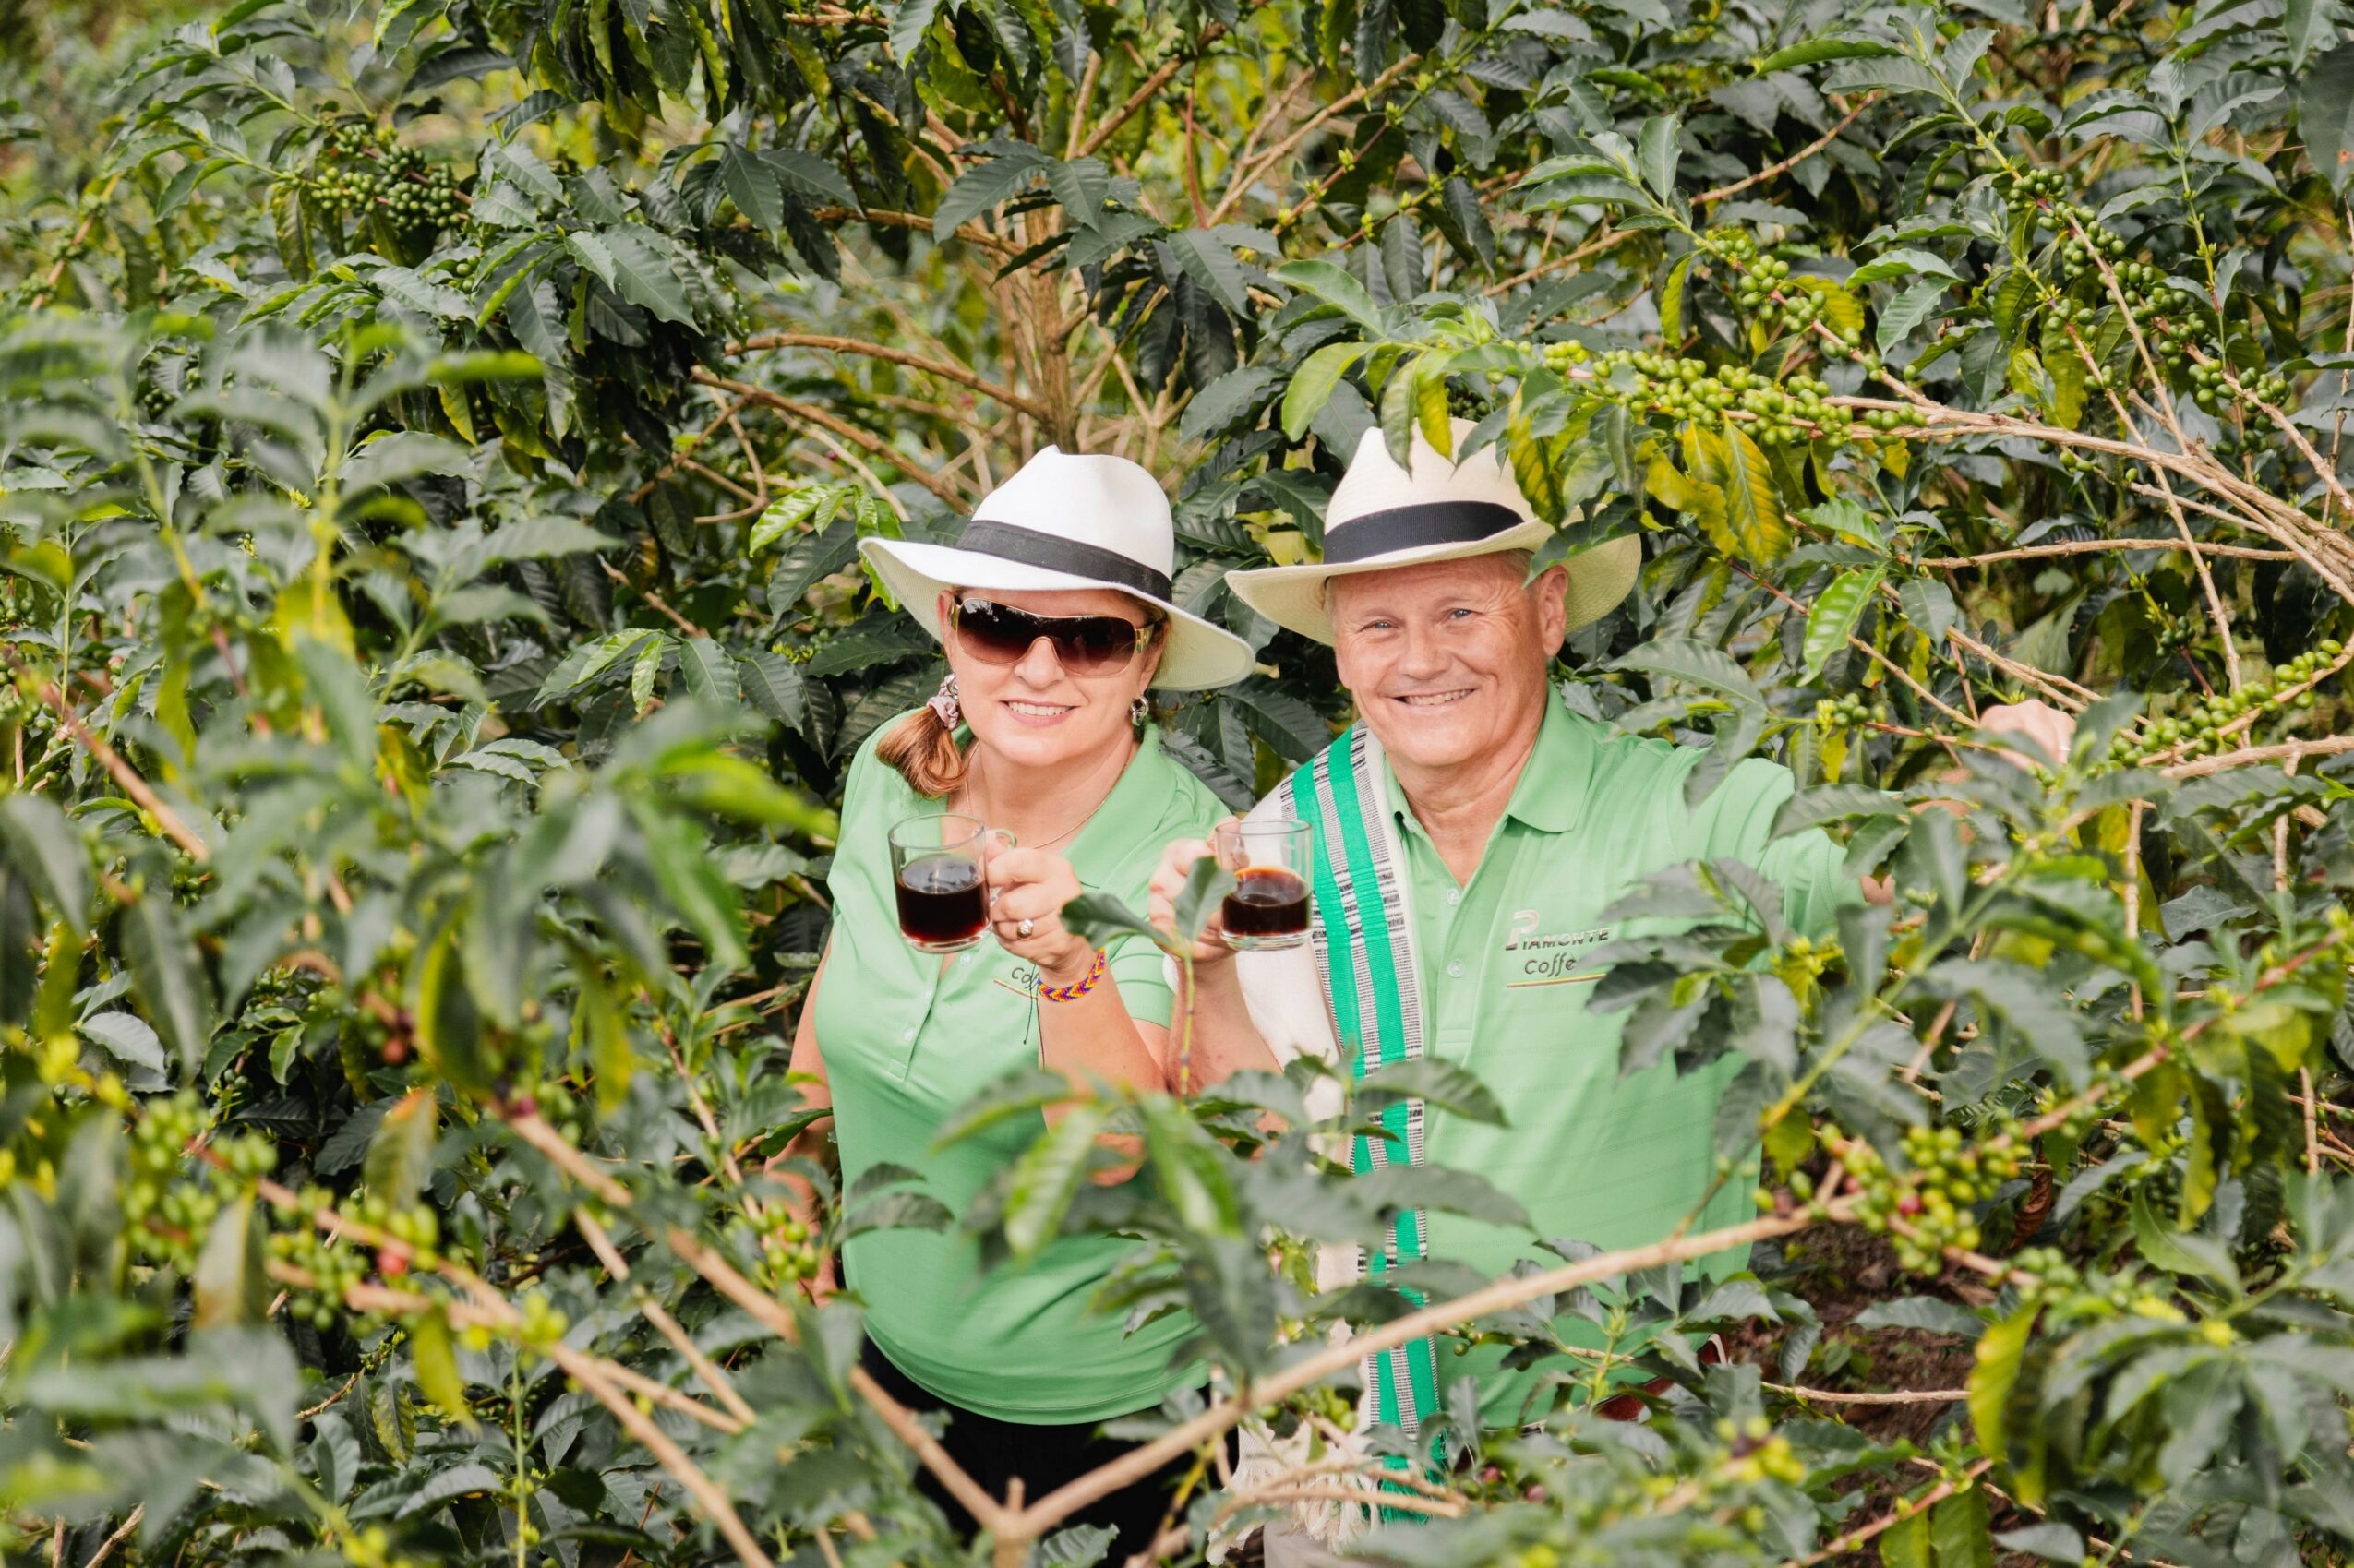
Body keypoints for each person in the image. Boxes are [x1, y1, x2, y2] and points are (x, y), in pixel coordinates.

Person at [1152, 422, 2074, 1445]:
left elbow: (1873, 870)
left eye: (1460, 611)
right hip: (1354, 1450)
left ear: (1548, 611)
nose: (1420, 660)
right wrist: (1210, 973)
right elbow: (1260, 1139)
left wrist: (1978, 795)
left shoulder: (1691, 810)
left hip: (1628, 1448)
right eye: (1378, 626)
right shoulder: (1288, 843)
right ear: (1339, 647)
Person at [783, 448, 1255, 1553]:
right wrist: (787, 1203)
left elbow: (1112, 1150)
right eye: (1001, 624)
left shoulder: (1177, 856)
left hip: (1108, 1427)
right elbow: (832, 1004)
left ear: (1147, 659)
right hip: (881, 1376)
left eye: (1089, 638)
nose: (1040, 667)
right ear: (952, 628)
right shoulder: (888, 779)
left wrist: (1068, 961)